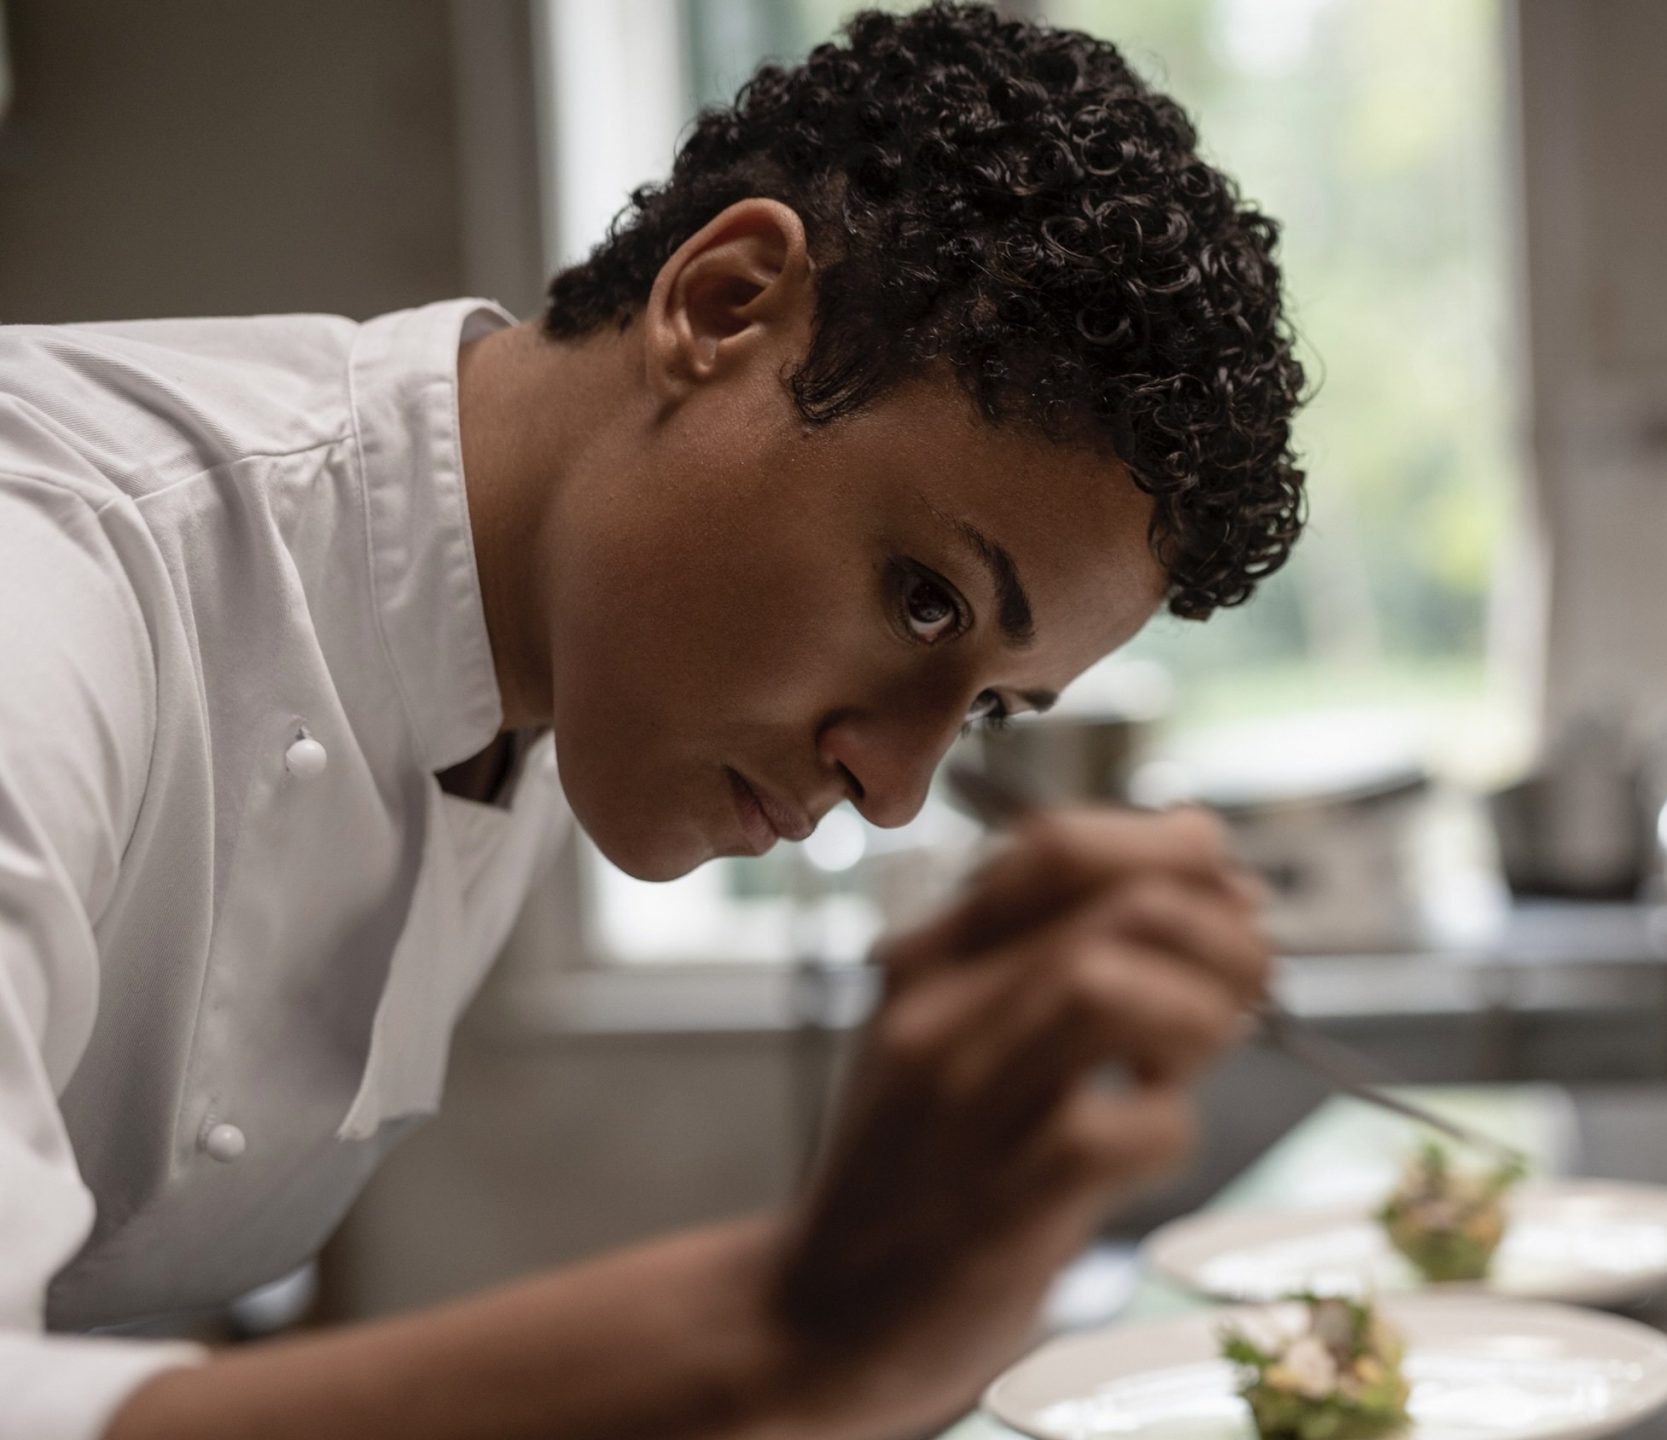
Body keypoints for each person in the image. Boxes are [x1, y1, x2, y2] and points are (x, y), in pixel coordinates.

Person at [0, 5, 1308, 1437]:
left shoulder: (566, 658)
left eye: (990, 708)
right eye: (926, 601)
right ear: (725, 303)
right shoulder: (49, 577)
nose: (893, 788)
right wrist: (780, 1331)